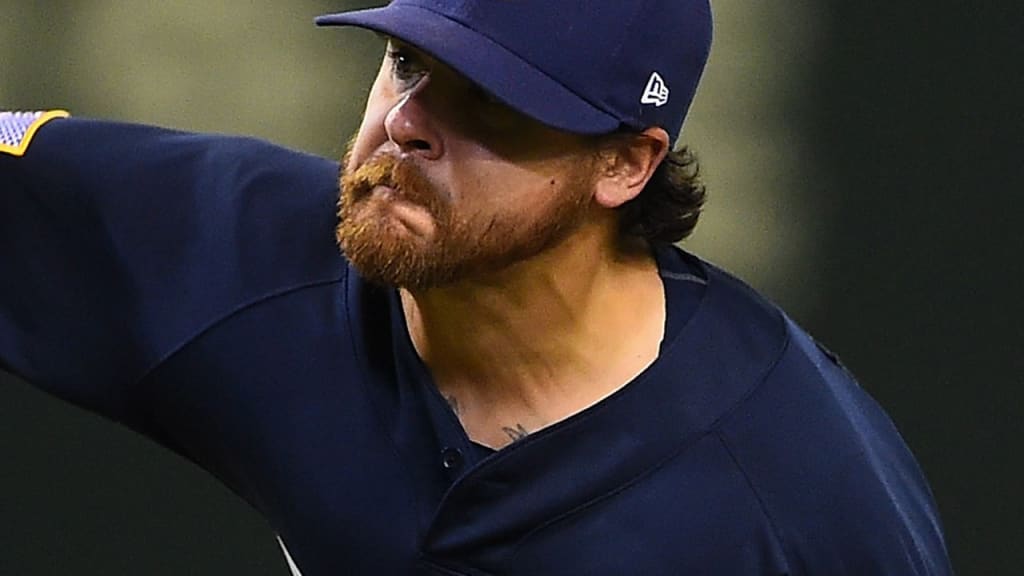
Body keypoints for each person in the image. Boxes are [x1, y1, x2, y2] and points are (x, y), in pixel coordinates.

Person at [0, 1, 954, 574]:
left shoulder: (796, 502)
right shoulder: (254, 261)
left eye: (491, 100)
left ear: (625, 163)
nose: (406, 123)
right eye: (407, 62)